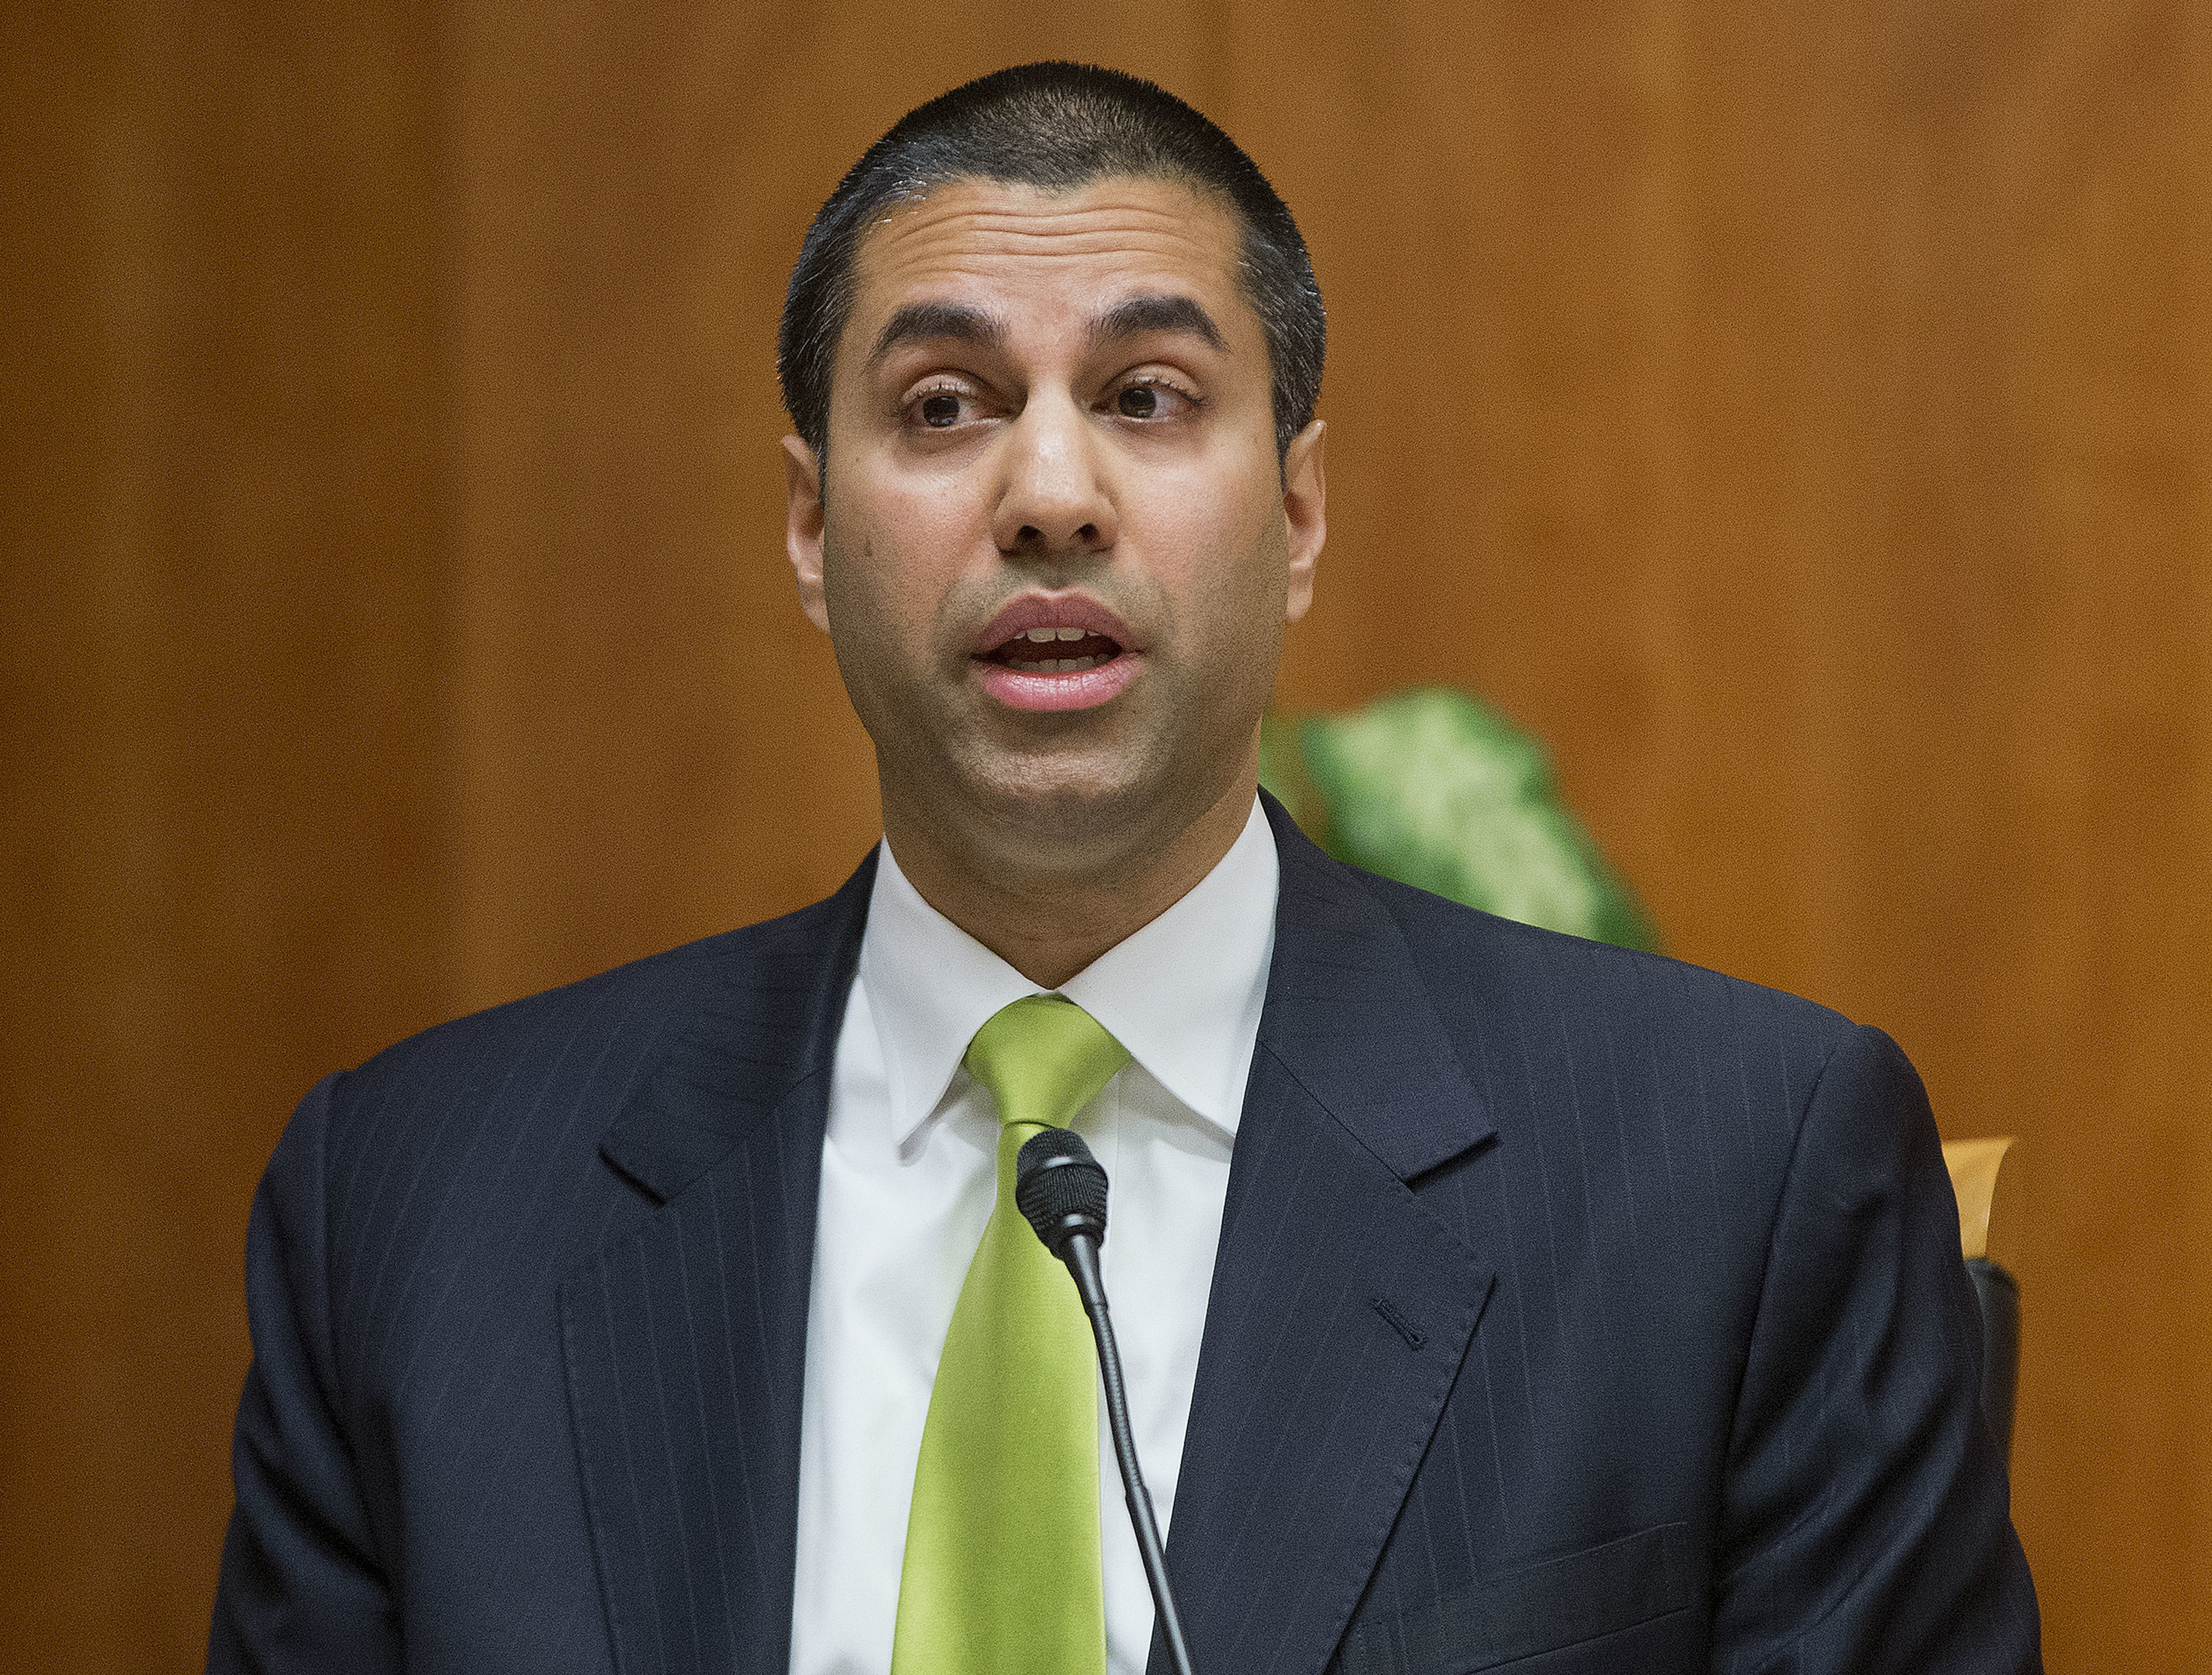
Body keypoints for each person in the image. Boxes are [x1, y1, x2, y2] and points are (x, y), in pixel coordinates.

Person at [209, 62, 2041, 1675]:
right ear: (809, 527)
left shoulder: (1735, 1182)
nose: (1052, 491)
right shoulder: (418, 1214)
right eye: (942, 407)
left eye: (1151, 395)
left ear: (1299, 511)